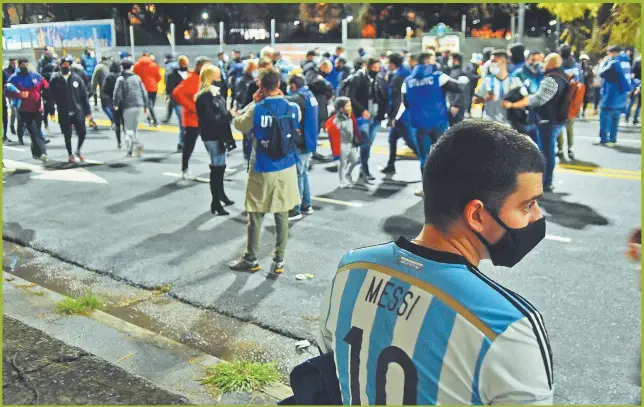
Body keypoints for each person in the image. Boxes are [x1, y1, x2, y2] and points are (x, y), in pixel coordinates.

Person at [316, 120, 552, 405]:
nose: (537, 217)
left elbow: (331, 365)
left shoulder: (351, 270)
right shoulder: (508, 326)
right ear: (476, 215)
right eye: (527, 205)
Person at [229, 68, 301, 275]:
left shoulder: (257, 108)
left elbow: (239, 124)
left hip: (262, 165)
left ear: (260, 87)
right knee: (282, 214)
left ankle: (251, 258)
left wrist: (254, 101)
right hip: (287, 166)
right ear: (279, 85)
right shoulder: (292, 107)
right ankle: (279, 260)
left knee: (256, 215)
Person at [397, 51, 467, 197]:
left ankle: (426, 189)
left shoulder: (407, 81)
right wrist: (463, 79)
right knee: (442, 154)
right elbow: (459, 88)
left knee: (424, 157)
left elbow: (405, 103)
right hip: (439, 122)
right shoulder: (438, 77)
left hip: (419, 125)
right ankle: (445, 186)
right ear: (428, 61)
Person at [514, 53, 570, 192]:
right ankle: (543, 179)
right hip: (557, 120)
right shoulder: (563, 77)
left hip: (548, 120)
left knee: (546, 152)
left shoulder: (551, 79)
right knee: (543, 149)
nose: (542, 63)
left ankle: (546, 182)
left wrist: (525, 101)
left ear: (551, 64)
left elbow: (539, 99)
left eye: (545, 61)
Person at [195, 64, 236, 216]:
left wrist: (228, 114)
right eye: (217, 75)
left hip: (219, 133)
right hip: (212, 135)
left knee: (221, 166)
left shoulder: (214, 92)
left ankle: (221, 195)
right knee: (217, 168)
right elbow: (209, 119)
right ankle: (215, 202)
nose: (219, 77)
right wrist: (228, 115)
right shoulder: (205, 95)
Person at [342, 57, 387, 183]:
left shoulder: (379, 79)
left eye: (378, 68)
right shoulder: (357, 78)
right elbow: (350, 97)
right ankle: (364, 170)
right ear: (367, 66)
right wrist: (362, 110)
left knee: (366, 146)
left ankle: (358, 168)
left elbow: (382, 96)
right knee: (365, 144)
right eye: (374, 68)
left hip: (376, 117)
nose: (376, 70)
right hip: (362, 116)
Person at [286, 74, 319, 221]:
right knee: (304, 173)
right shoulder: (309, 95)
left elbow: (287, 105)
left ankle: (295, 209)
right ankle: (307, 205)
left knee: (297, 175)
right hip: (310, 140)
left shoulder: (297, 98)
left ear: (293, 85)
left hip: (300, 141)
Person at [173, 56, 211, 179]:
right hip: (192, 120)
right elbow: (176, 93)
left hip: (204, 118)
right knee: (189, 145)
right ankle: (185, 169)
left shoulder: (204, 79)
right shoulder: (191, 78)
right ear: (199, 66)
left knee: (211, 144)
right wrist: (192, 107)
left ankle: (217, 167)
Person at [48, 56, 92, 163]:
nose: (65, 66)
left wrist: (88, 112)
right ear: (60, 65)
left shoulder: (77, 78)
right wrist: (51, 111)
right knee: (67, 134)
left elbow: (83, 96)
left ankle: (78, 150)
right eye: (63, 64)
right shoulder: (55, 79)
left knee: (82, 132)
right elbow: (51, 96)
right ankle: (70, 154)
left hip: (77, 111)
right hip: (64, 111)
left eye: (67, 64)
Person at [5, 58, 49, 161]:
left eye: (26, 64)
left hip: (37, 109)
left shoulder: (36, 76)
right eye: (23, 65)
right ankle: (43, 153)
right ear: (19, 66)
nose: (25, 66)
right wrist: (18, 94)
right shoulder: (14, 78)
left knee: (37, 131)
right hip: (24, 109)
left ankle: (35, 153)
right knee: (33, 132)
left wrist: (47, 94)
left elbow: (45, 85)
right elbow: (7, 91)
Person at [382, 53, 417, 175]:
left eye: (388, 63)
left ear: (392, 63)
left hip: (401, 114)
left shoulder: (398, 77)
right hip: (406, 111)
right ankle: (390, 164)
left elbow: (396, 99)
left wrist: (392, 117)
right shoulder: (408, 72)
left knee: (411, 142)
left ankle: (431, 164)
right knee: (392, 139)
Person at [474, 49, 528, 128]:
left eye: (494, 61)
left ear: (503, 61)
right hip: (489, 123)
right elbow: (475, 100)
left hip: (509, 125)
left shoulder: (515, 81)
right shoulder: (487, 81)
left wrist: (512, 105)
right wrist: (485, 98)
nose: (491, 64)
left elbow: (526, 100)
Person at [113, 59, 148, 158]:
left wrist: (115, 104)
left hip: (127, 106)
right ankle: (132, 149)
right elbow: (143, 91)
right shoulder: (137, 78)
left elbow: (117, 93)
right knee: (134, 128)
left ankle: (133, 147)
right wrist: (146, 105)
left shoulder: (121, 79)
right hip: (139, 105)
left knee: (128, 129)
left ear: (122, 67)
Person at [597, 46, 632, 146]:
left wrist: (602, 63)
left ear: (612, 53)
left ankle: (604, 139)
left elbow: (601, 72)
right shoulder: (626, 62)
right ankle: (613, 139)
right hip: (621, 97)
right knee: (615, 120)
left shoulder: (614, 63)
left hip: (610, 96)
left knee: (605, 117)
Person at [325, 97, 361, 187]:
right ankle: (342, 180)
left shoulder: (350, 115)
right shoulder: (338, 119)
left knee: (355, 160)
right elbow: (332, 130)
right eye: (348, 105)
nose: (350, 107)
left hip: (351, 143)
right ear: (341, 109)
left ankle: (348, 173)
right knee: (343, 162)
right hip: (343, 143)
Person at [511, 50, 544, 144]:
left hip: (539, 114)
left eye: (538, 60)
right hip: (524, 114)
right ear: (526, 60)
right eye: (532, 59)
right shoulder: (519, 74)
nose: (535, 62)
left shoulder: (542, 73)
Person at [557, 46, 581, 161]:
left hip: (559, 100)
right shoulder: (576, 66)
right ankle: (570, 148)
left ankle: (560, 149)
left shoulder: (559, 65)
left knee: (559, 126)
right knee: (570, 126)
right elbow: (580, 83)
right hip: (573, 100)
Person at [165, 55, 189, 152]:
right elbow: (170, 89)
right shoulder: (172, 75)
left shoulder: (189, 74)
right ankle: (181, 142)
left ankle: (184, 141)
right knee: (182, 123)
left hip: (189, 102)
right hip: (179, 102)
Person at [133, 52, 162, 127]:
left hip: (143, 87)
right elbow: (158, 76)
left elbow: (134, 76)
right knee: (151, 104)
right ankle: (149, 119)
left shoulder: (137, 65)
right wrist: (155, 82)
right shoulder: (154, 64)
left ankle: (155, 120)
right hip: (153, 87)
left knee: (149, 105)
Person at [101, 61, 124, 150]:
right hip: (123, 101)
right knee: (125, 122)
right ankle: (127, 139)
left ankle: (119, 142)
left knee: (117, 123)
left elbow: (104, 89)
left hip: (113, 101)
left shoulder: (109, 76)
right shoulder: (121, 76)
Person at [445, 52, 469, 126]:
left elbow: (461, 90)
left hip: (457, 105)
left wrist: (455, 105)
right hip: (452, 103)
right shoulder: (453, 71)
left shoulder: (461, 72)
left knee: (457, 127)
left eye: (450, 59)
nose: (449, 61)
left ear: (456, 60)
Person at [91, 56, 112, 125]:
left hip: (104, 89)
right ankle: (115, 120)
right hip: (113, 88)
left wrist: (93, 90)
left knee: (105, 106)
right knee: (111, 106)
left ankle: (114, 120)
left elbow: (94, 80)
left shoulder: (99, 67)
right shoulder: (111, 65)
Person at [161, 53, 179, 123]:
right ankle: (168, 117)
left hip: (172, 87)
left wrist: (167, 88)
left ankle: (168, 118)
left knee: (172, 103)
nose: (164, 60)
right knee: (172, 103)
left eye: (165, 58)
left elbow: (168, 78)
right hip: (178, 86)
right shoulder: (176, 64)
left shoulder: (169, 66)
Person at [578, 54, 594, 119]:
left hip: (586, 86)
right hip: (579, 86)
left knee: (586, 99)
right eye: (583, 60)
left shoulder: (589, 69)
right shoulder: (578, 68)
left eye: (585, 60)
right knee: (578, 99)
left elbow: (591, 77)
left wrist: (591, 83)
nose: (584, 61)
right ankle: (578, 111)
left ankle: (583, 111)